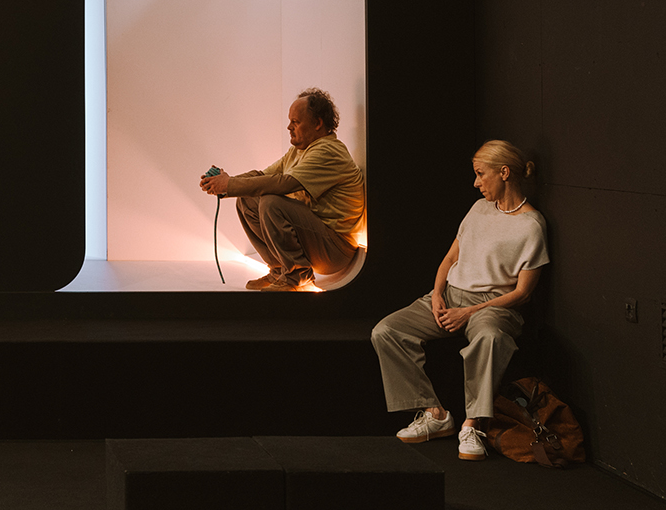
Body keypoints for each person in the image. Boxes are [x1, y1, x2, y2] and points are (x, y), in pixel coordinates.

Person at [369, 140, 547, 460]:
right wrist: (438, 294)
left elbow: (523, 293)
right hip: (451, 295)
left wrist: (469, 313)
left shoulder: (531, 225)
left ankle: (472, 424)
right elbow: (451, 258)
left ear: (504, 173)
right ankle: (435, 414)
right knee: (387, 331)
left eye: (480, 174)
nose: (476, 183)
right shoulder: (478, 209)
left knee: (490, 338)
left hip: (494, 305)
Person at [198, 88, 366, 292]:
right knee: (247, 200)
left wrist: (228, 185)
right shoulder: (299, 150)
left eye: (295, 122)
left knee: (271, 202)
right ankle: (280, 271)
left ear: (318, 123)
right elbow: (263, 175)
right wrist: (226, 182)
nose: (289, 127)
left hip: (336, 250)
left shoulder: (328, 151)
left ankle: (298, 276)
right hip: (319, 239)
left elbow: (284, 183)